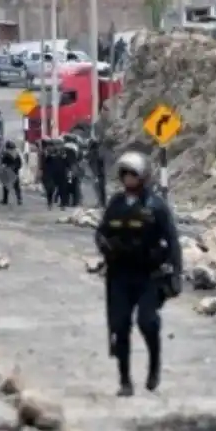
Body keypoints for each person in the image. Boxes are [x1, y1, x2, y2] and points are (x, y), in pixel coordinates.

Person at [95, 151, 182, 396]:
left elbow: (172, 241)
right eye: (125, 174)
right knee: (120, 326)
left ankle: (154, 365)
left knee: (147, 322)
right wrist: (105, 246)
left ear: (143, 176)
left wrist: (176, 274)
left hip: (148, 275)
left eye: (133, 174)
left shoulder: (156, 206)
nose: (128, 179)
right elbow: (101, 232)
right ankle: (124, 380)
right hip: (119, 275)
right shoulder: (116, 204)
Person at [42, 139, 66, 209]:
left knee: (62, 189)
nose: (50, 147)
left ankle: (63, 204)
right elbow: (44, 164)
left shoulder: (61, 153)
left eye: (51, 146)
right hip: (50, 174)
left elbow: (66, 162)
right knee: (50, 189)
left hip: (61, 173)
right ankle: (49, 203)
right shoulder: (46, 154)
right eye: (49, 146)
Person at [0, 141, 24, 205]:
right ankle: (19, 199)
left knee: (8, 187)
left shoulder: (5, 155)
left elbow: (2, 164)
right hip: (14, 172)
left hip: (9, 172)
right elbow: (20, 164)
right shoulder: (16, 155)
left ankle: (5, 200)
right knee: (16, 187)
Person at [86, 137, 107, 208]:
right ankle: (102, 203)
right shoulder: (98, 152)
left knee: (98, 189)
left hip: (97, 174)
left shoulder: (93, 153)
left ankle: (100, 203)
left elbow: (94, 164)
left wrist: (95, 175)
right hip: (101, 173)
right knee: (101, 189)